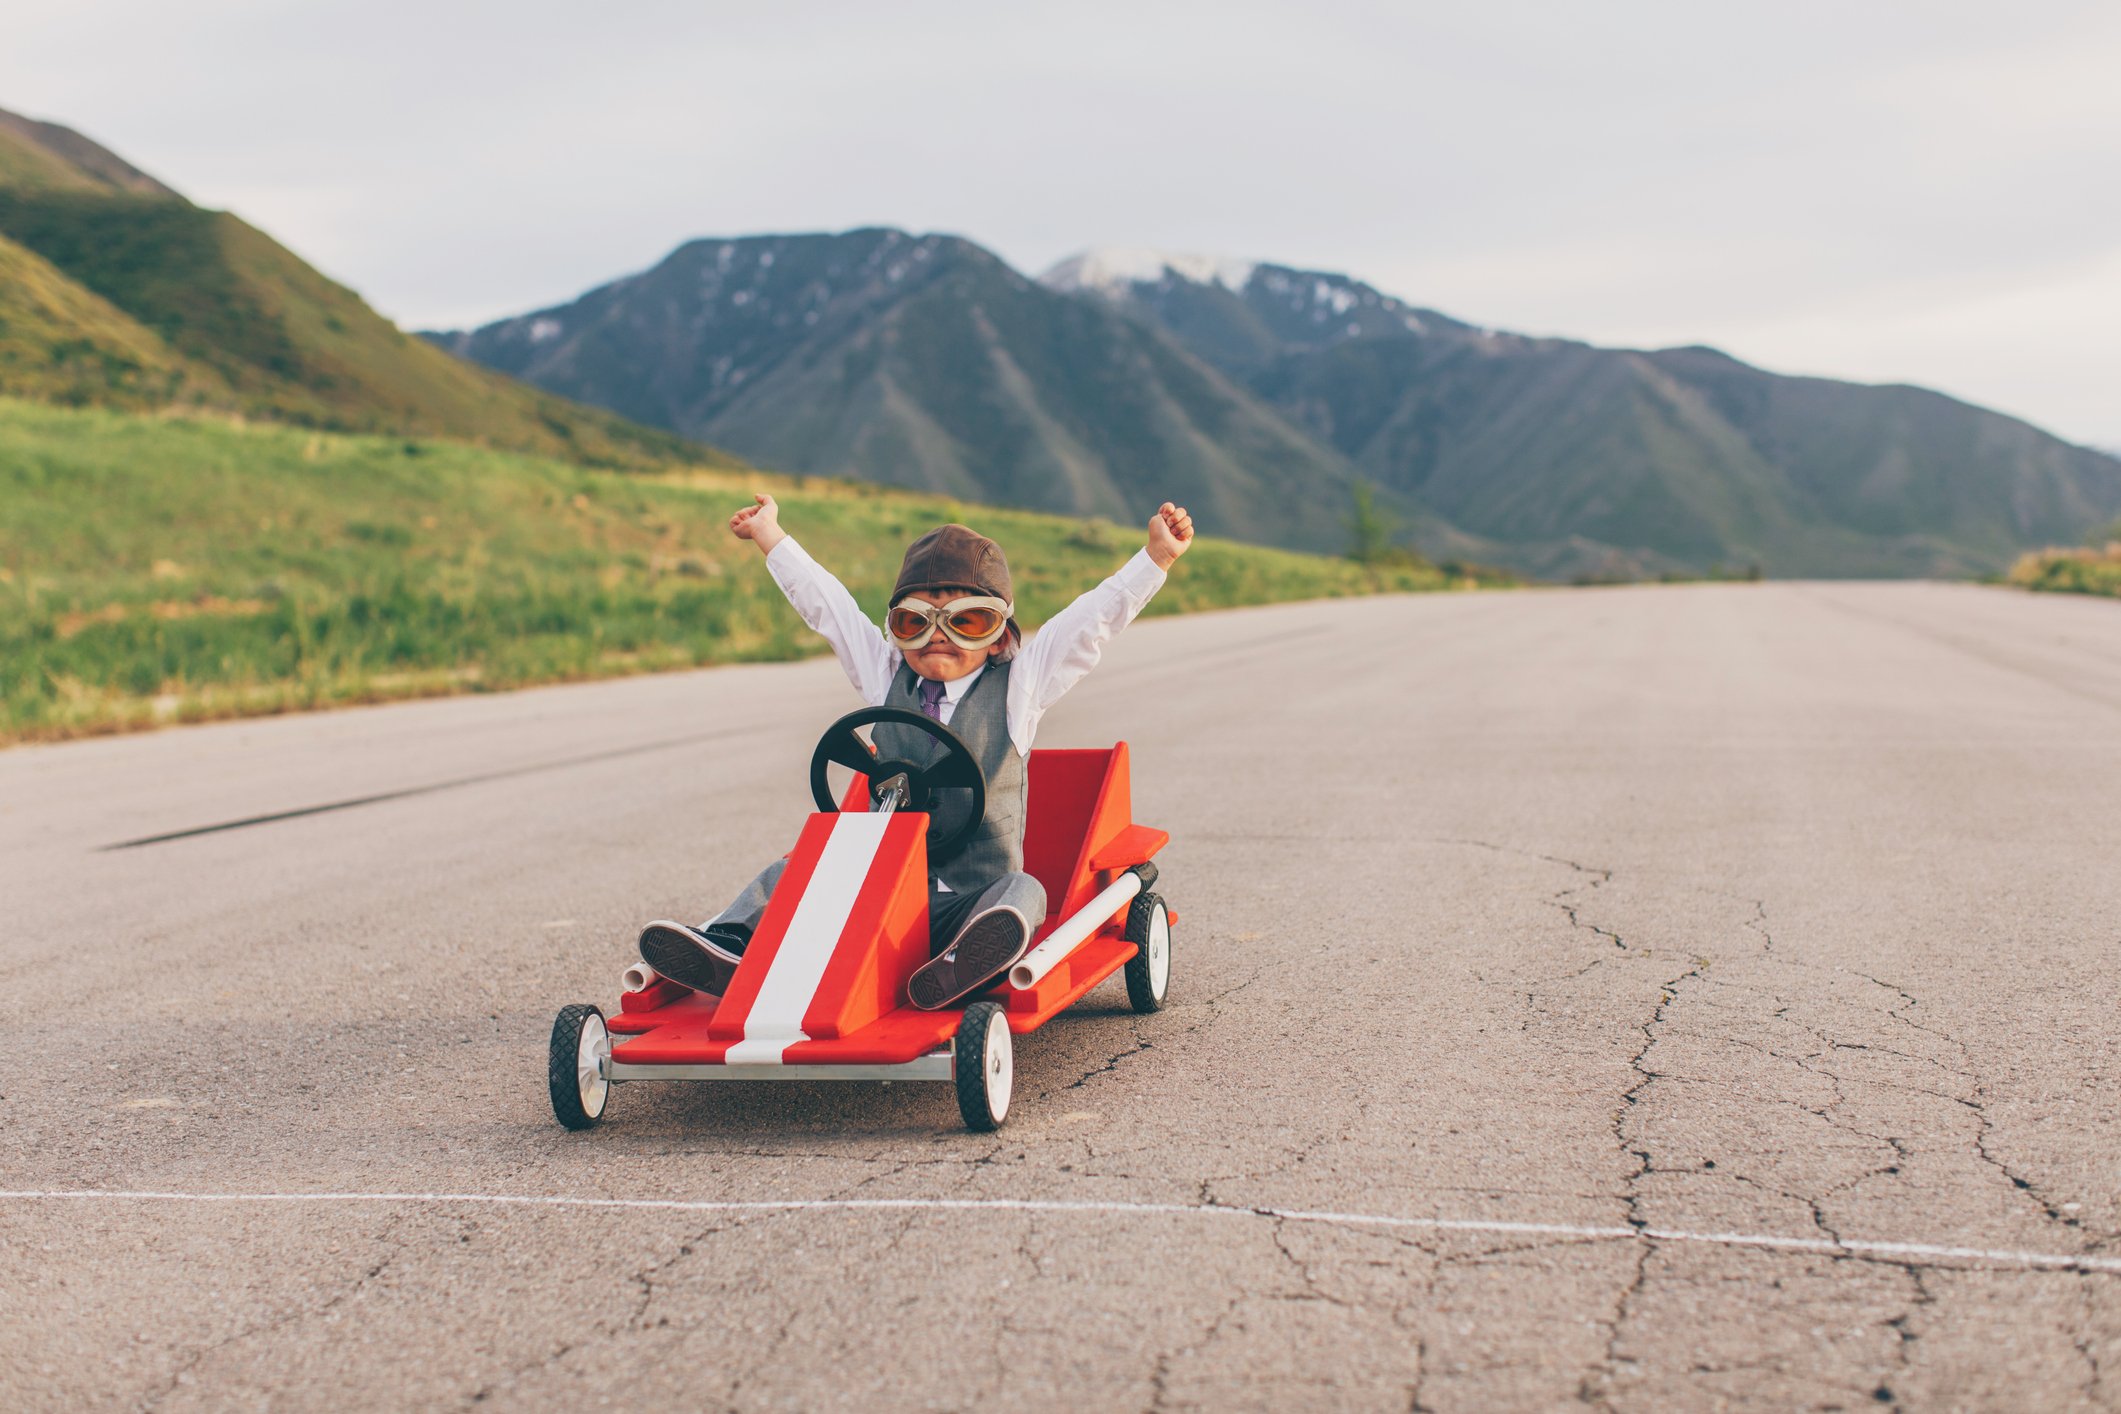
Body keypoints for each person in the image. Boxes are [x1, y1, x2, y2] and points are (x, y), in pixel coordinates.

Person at [639, 493, 1194, 1009]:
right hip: (881, 898)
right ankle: (727, 947)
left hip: (968, 904)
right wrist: (771, 536)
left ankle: (962, 965)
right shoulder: (886, 680)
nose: (937, 636)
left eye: (965, 621)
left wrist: (1155, 559)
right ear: (895, 629)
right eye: (915, 621)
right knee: (793, 868)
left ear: (999, 634)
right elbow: (828, 608)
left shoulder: (1019, 688)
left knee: (1025, 891)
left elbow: (1088, 624)